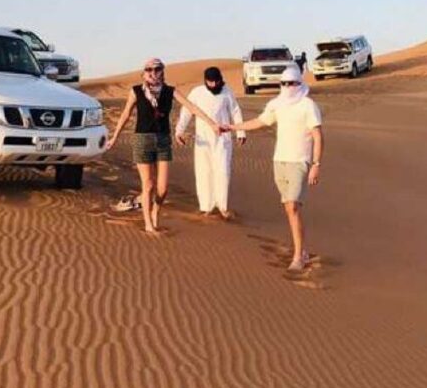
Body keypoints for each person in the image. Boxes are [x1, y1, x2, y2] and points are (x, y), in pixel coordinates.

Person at [222, 66, 323, 272]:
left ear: (299, 83)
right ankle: (301, 249)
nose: (288, 87)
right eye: (284, 83)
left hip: (299, 162)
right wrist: (233, 127)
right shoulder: (277, 104)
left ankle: (298, 256)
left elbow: (318, 136)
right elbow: (260, 121)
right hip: (280, 161)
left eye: (292, 83)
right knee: (288, 207)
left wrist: (316, 164)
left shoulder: (308, 105)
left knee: (293, 206)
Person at [107, 58, 219, 234]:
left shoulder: (170, 91)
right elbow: (126, 114)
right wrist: (114, 137)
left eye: (157, 69)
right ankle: (148, 223)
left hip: (163, 140)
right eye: (149, 69)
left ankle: (155, 212)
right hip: (142, 139)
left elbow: (191, 107)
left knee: (163, 188)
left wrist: (211, 123)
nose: (153, 73)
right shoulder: (136, 91)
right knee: (148, 185)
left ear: (162, 71)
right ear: (144, 73)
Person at [174, 66, 246, 220]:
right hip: (203, 139)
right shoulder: (197, 92)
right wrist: (179, 130)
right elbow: (187, 111)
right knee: (203, 171)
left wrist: (240, 131)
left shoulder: (227, 92)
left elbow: (235, 111)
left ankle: (223, 207)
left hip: (223, 139)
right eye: (210, 82)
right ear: (205, 81)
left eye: (216, 81)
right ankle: (206, 206)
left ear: (220, 80)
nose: (213, 85)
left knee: (222, 171)